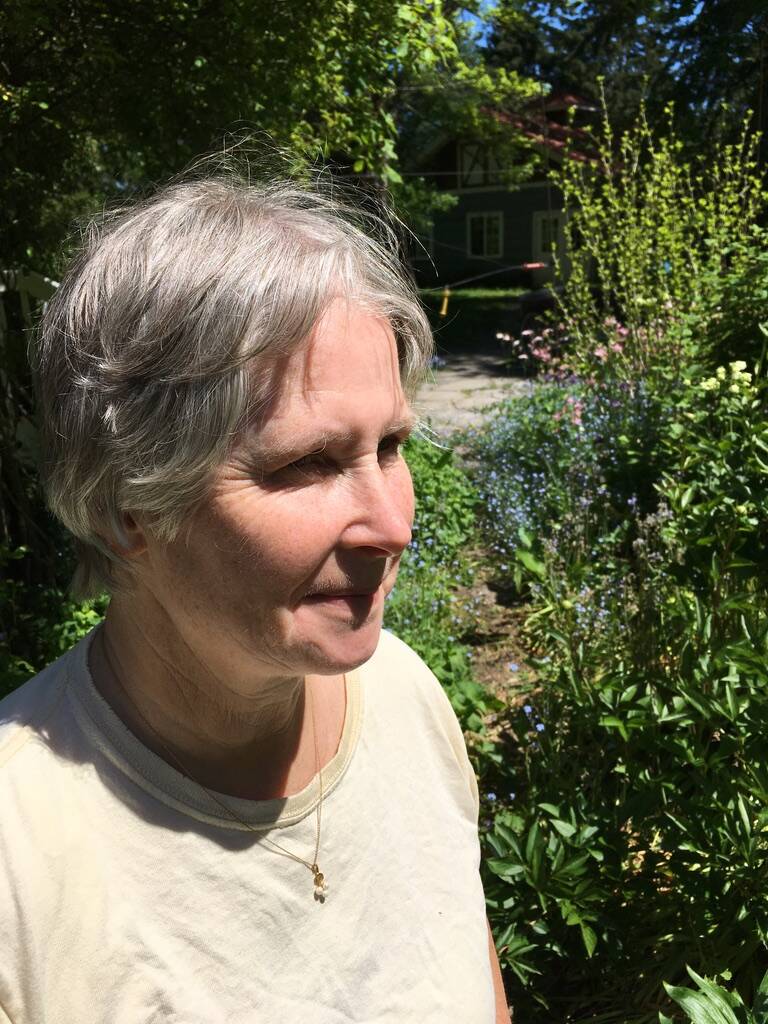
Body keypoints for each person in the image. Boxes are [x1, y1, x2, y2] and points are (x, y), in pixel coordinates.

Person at [0, 172, 510, 1023]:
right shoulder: (21, 861)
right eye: (307, 463)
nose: (393, 527)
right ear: (130, 509)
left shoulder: (405, 695)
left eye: (390, 446)